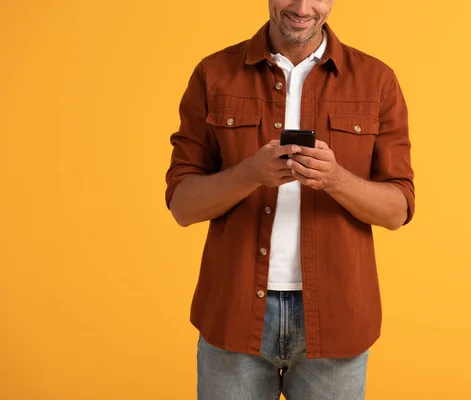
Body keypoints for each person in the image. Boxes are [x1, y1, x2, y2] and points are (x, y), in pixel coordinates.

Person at [164, 0, 415, 398]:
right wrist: (249, 174)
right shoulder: (214, 74)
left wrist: (335, 179)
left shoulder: (376, 80)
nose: (302, 7)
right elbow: (182, 204)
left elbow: (397, 210)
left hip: (338, 318)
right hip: (233, 310)